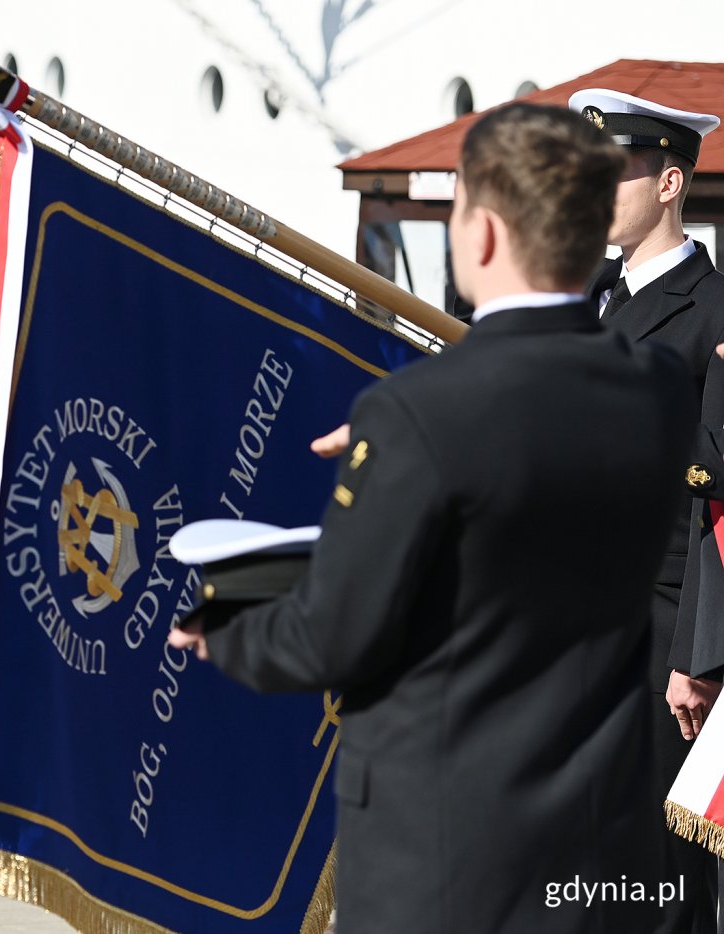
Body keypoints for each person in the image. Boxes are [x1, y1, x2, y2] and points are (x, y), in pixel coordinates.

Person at [169, 103, 693, 933]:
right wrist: (414, 443)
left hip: (450, 859)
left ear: (481, 233)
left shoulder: (419, 414)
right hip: (604, 856)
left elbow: (333, 636)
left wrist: (222, 622)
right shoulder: (658, 389)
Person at [569, 87, 724, 934]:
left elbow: (720, 506)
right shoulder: (586, 303)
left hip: (663, 642)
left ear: (668, 184)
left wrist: (698, 653)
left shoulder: (715, 312)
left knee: (660, 885)